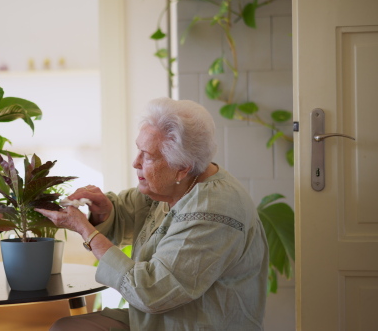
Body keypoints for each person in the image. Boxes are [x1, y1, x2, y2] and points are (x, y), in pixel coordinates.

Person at [36, 97, 269, 331]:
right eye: (139, 149)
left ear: (182, 167)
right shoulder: (174, 185)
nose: (135, 162)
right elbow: (127, 209)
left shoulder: (214, 208)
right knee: (66, 328)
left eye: (147, 156)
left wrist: (86, 231)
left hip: (195, 324)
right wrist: (105, 210)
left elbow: (151, 292)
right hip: (161, 321)